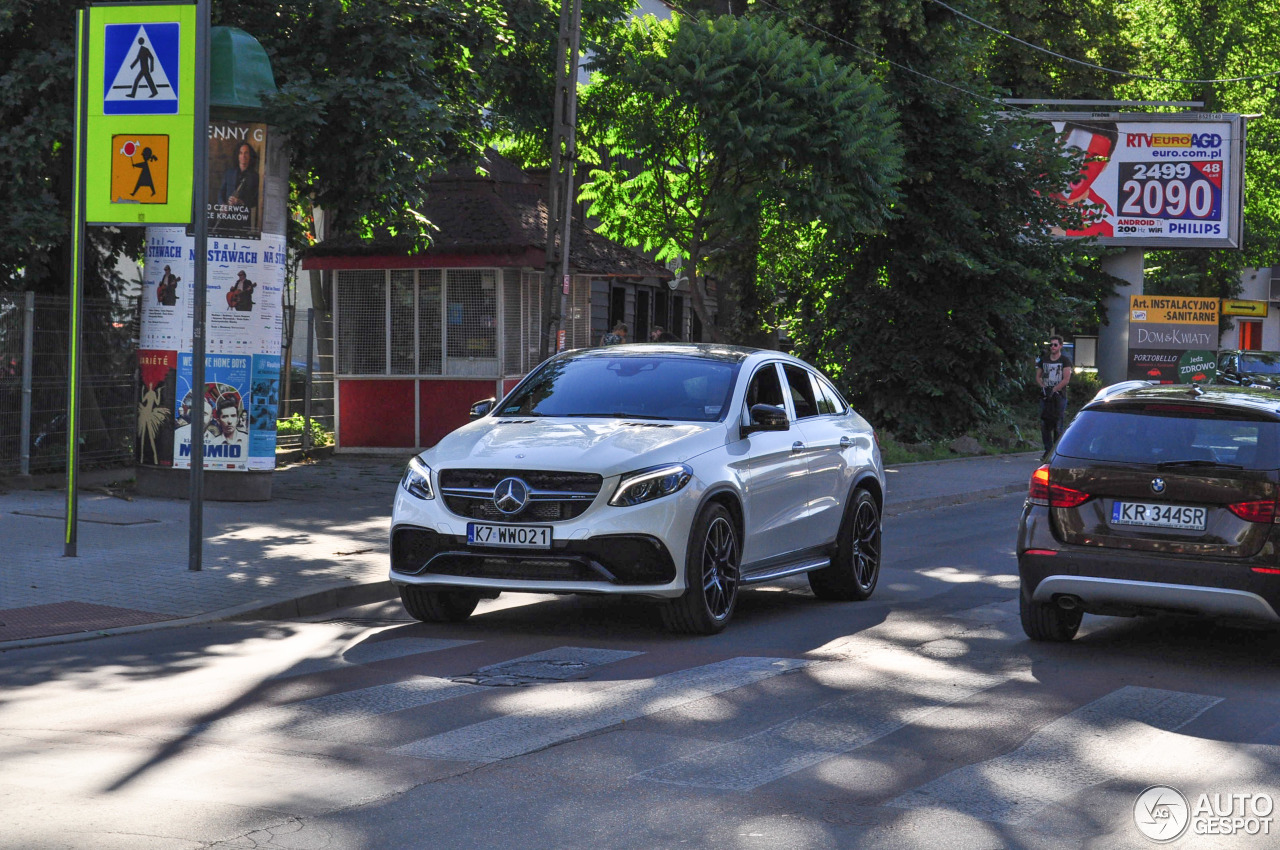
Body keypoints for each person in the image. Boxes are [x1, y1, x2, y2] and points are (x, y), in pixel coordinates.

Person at [1036, 335, 1074, 459]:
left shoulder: (1064, 360)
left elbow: (1066, 379)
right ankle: (1048, 450)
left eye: (1055, 345)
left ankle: (1056, 452)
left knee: (1058, 424)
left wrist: (1054, 389)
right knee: (1044, 423)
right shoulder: (1044, 360)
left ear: (1060, 346)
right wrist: (1043, 387)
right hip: (1045, 396)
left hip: (1059, 397)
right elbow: (1038, 376)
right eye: (1051, 345)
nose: (1052, 347)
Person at [218, 142, 259, 210]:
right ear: (238, 156)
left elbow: (256, 200)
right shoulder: (229, 173)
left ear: (250, 156)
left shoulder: (255, 176)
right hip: (228, 213)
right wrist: (222, 205)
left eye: (246, 153)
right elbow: (221, 191)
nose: (243, 156)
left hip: (243, 216)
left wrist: (241, 202)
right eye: (241, 153)